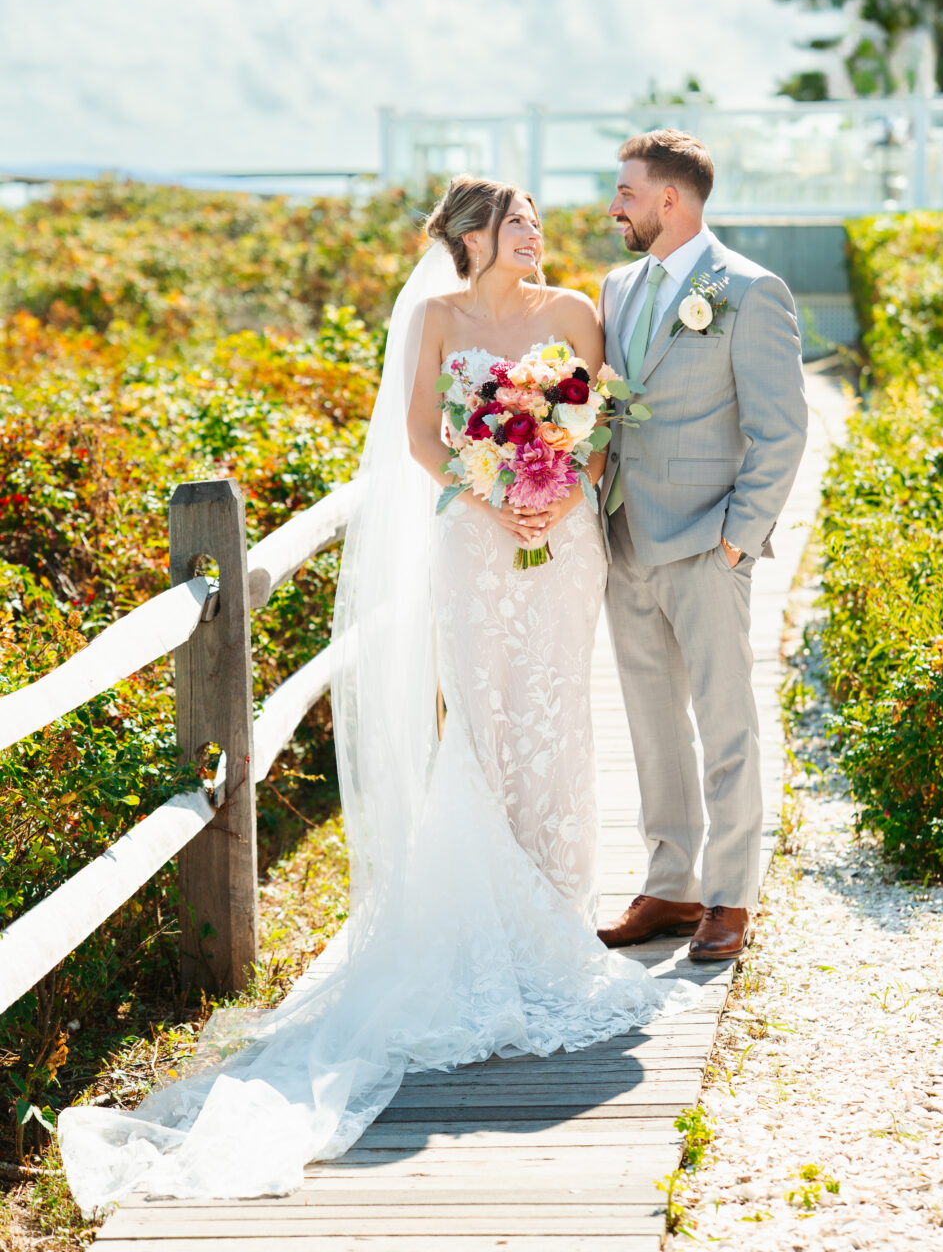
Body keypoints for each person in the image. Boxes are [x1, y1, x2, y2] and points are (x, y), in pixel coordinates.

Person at [57, 175, 696, 1215]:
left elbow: (598, 424)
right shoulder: (438, 317)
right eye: (520, 221)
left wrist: (553, 489)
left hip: (562, 539)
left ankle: (554, 916)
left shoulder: (575, 311)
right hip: (475, 541)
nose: (537, 234)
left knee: (554, 722)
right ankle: (488, 925)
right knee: (484, 724)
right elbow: (419, 439)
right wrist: (499, 491)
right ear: (477, 234)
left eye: (538, 222)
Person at [596, 131, 807, 964]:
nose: (615, 205)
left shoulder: (751, 292)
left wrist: (735, 542)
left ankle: (728, 897)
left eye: (626, 192)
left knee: (726, 727)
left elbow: (780, 432)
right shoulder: (614, 288)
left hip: (706, 544)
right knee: (652, 726)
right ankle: (671, 883)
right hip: (624, 541)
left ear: (669, 200)